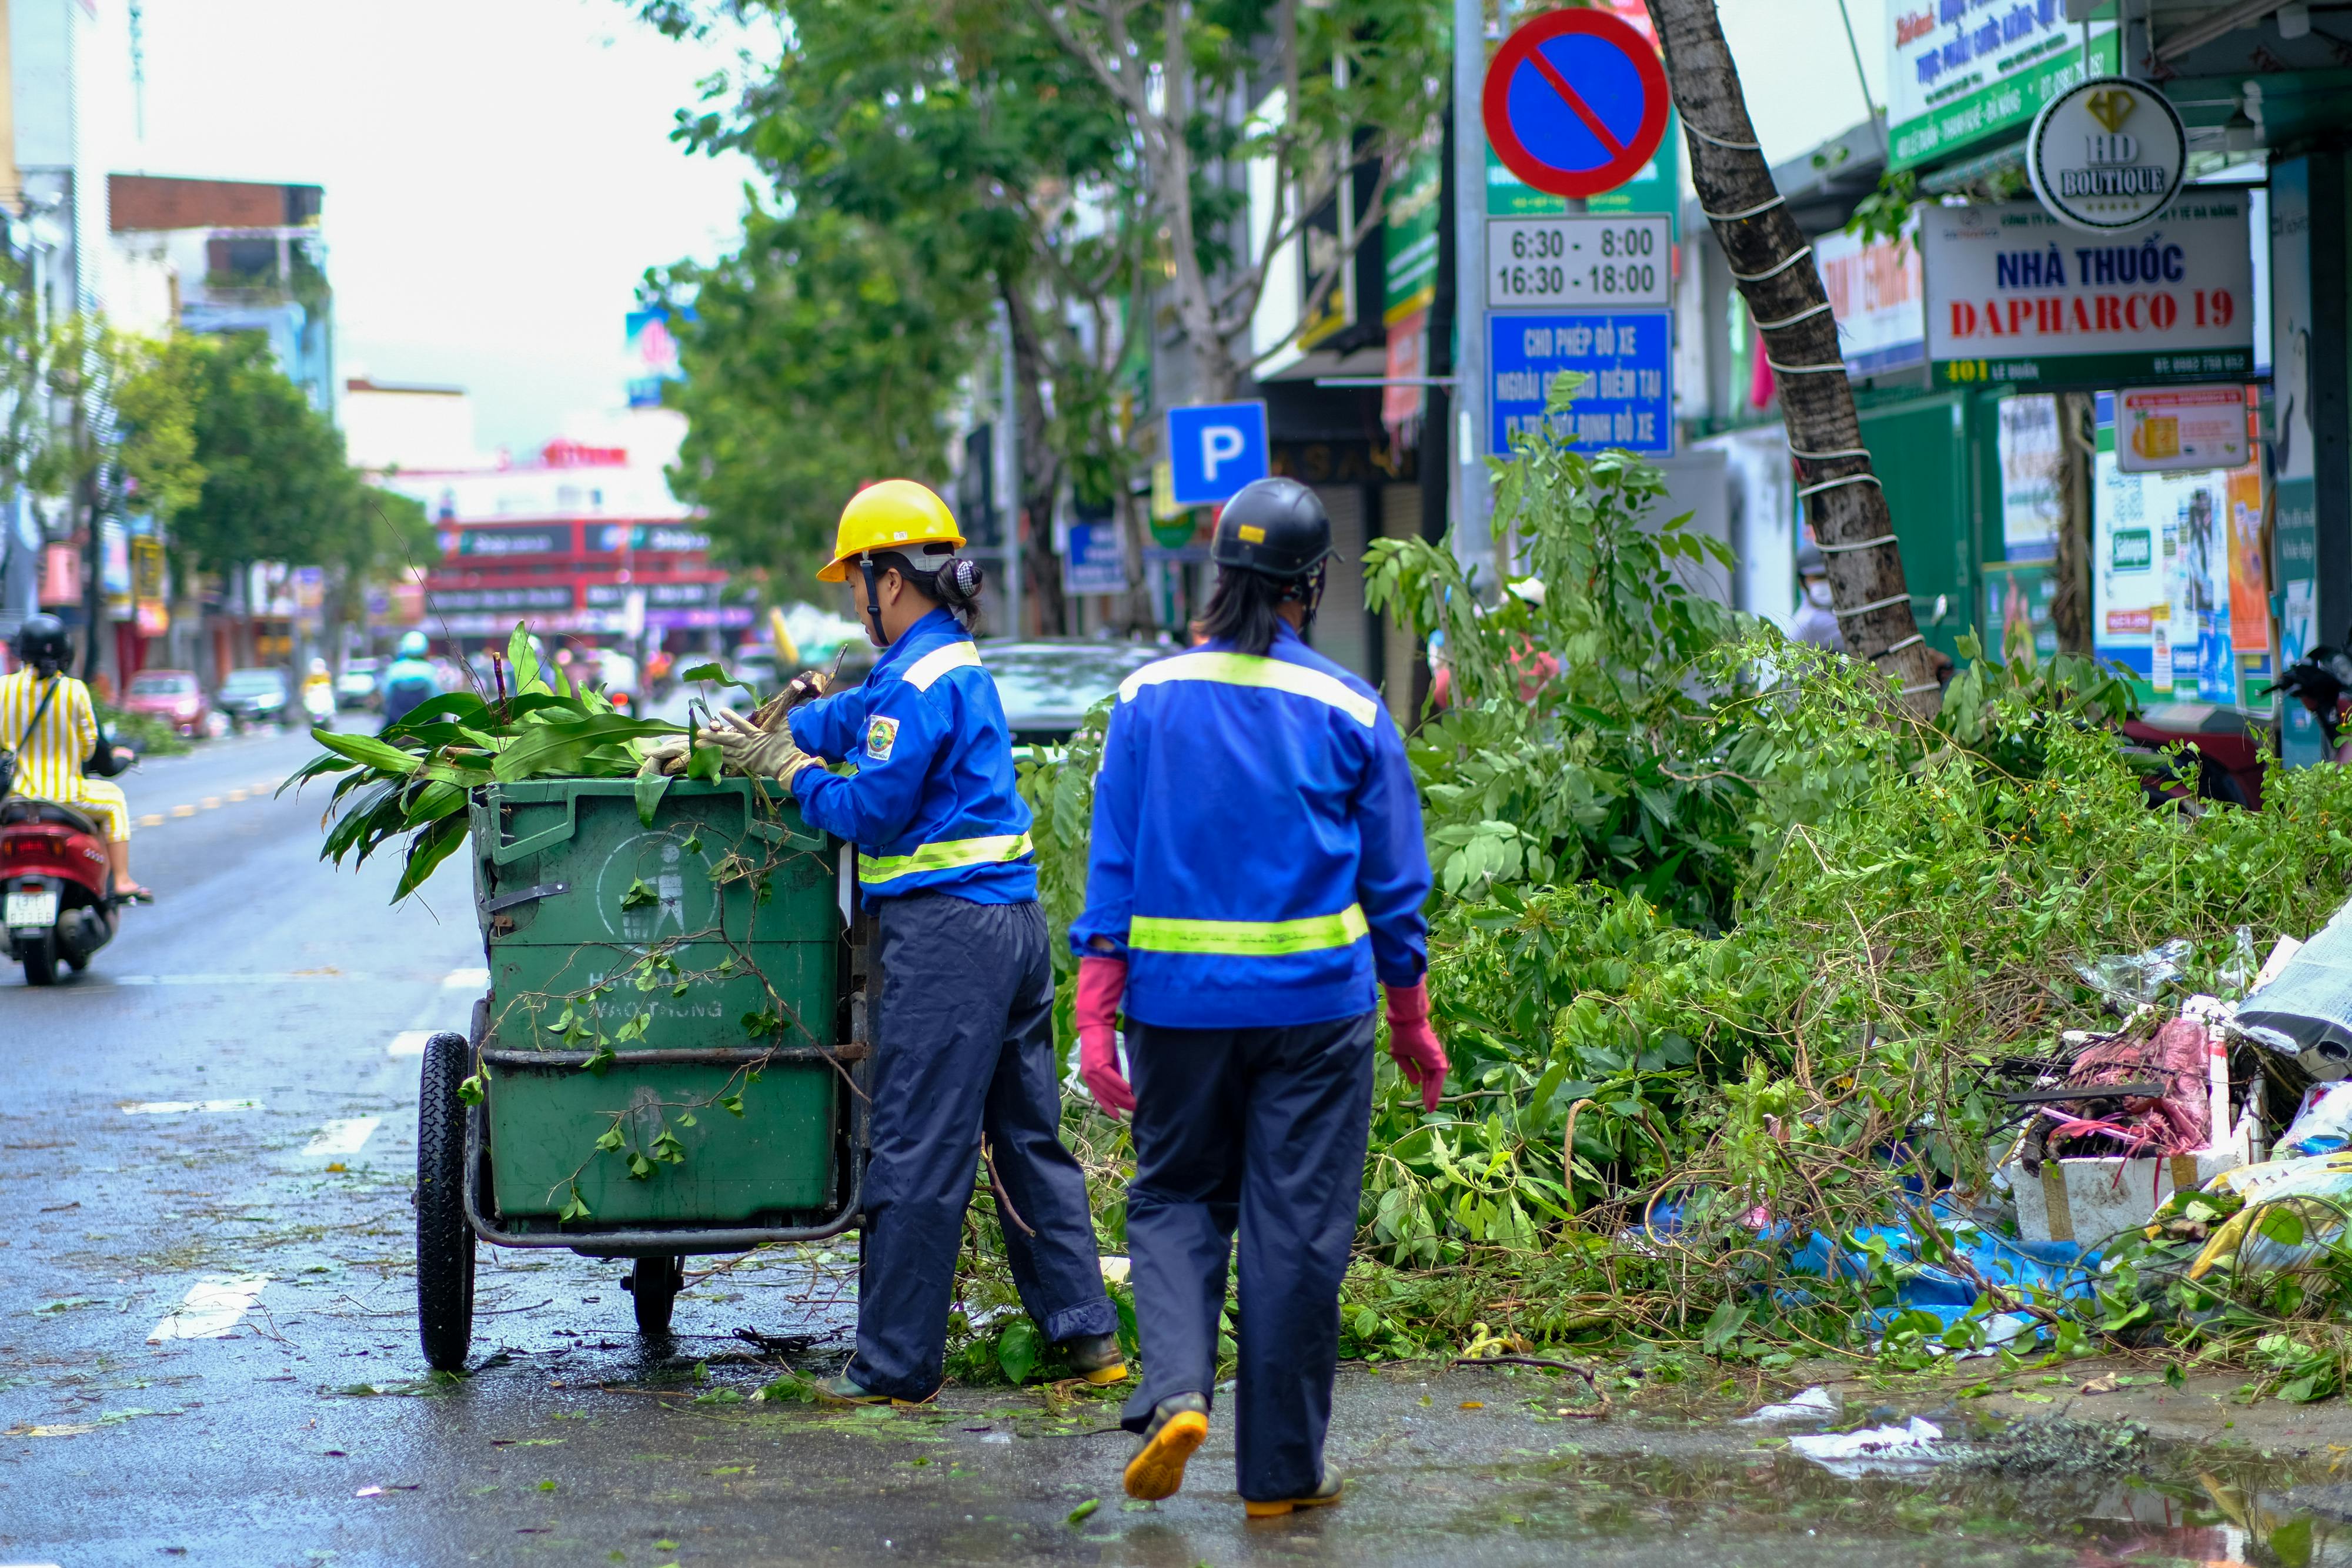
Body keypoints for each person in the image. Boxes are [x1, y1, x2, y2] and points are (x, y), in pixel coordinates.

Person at [1069, 476, 1446, 1517]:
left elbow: (1115, 862)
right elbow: (1396, 887)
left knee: (1176, 1195)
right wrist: (1411, 1021)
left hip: (1177, 1009)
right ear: (1310, 585)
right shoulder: (1348, 706)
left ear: (1219, 578)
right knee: (1294, 1232)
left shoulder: (1147, 699)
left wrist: (1095, 1010)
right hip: (1316, 1016)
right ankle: (1280, 1477)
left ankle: (1181, 1387)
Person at [709, 479, 1123, 1405]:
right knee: (1026, 1139)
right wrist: (788, 723)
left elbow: (873, 808)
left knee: (918, 1144)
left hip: (950, 939)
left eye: (857, 578)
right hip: (1012, 930)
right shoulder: (945, 664)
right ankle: (1089, 1337)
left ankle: (892, 1367)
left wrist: (787, 771)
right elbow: (857, 718)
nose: (855, 598)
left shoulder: (919, 681)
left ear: (888, 578)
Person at [1, 615, 151, 900]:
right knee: (115, 800)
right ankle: (121, 880)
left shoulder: (2, 689)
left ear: (21, 651)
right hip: (67, 797)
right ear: (65, 654)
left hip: (14, 799)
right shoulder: (74, 691)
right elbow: (89, 750)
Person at [380, 631, 439, 726]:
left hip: (397, 721)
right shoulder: (430, 670)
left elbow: (386, 693)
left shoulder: (394, 669)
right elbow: (437, 697)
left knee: (382, 738)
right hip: (426, 722)